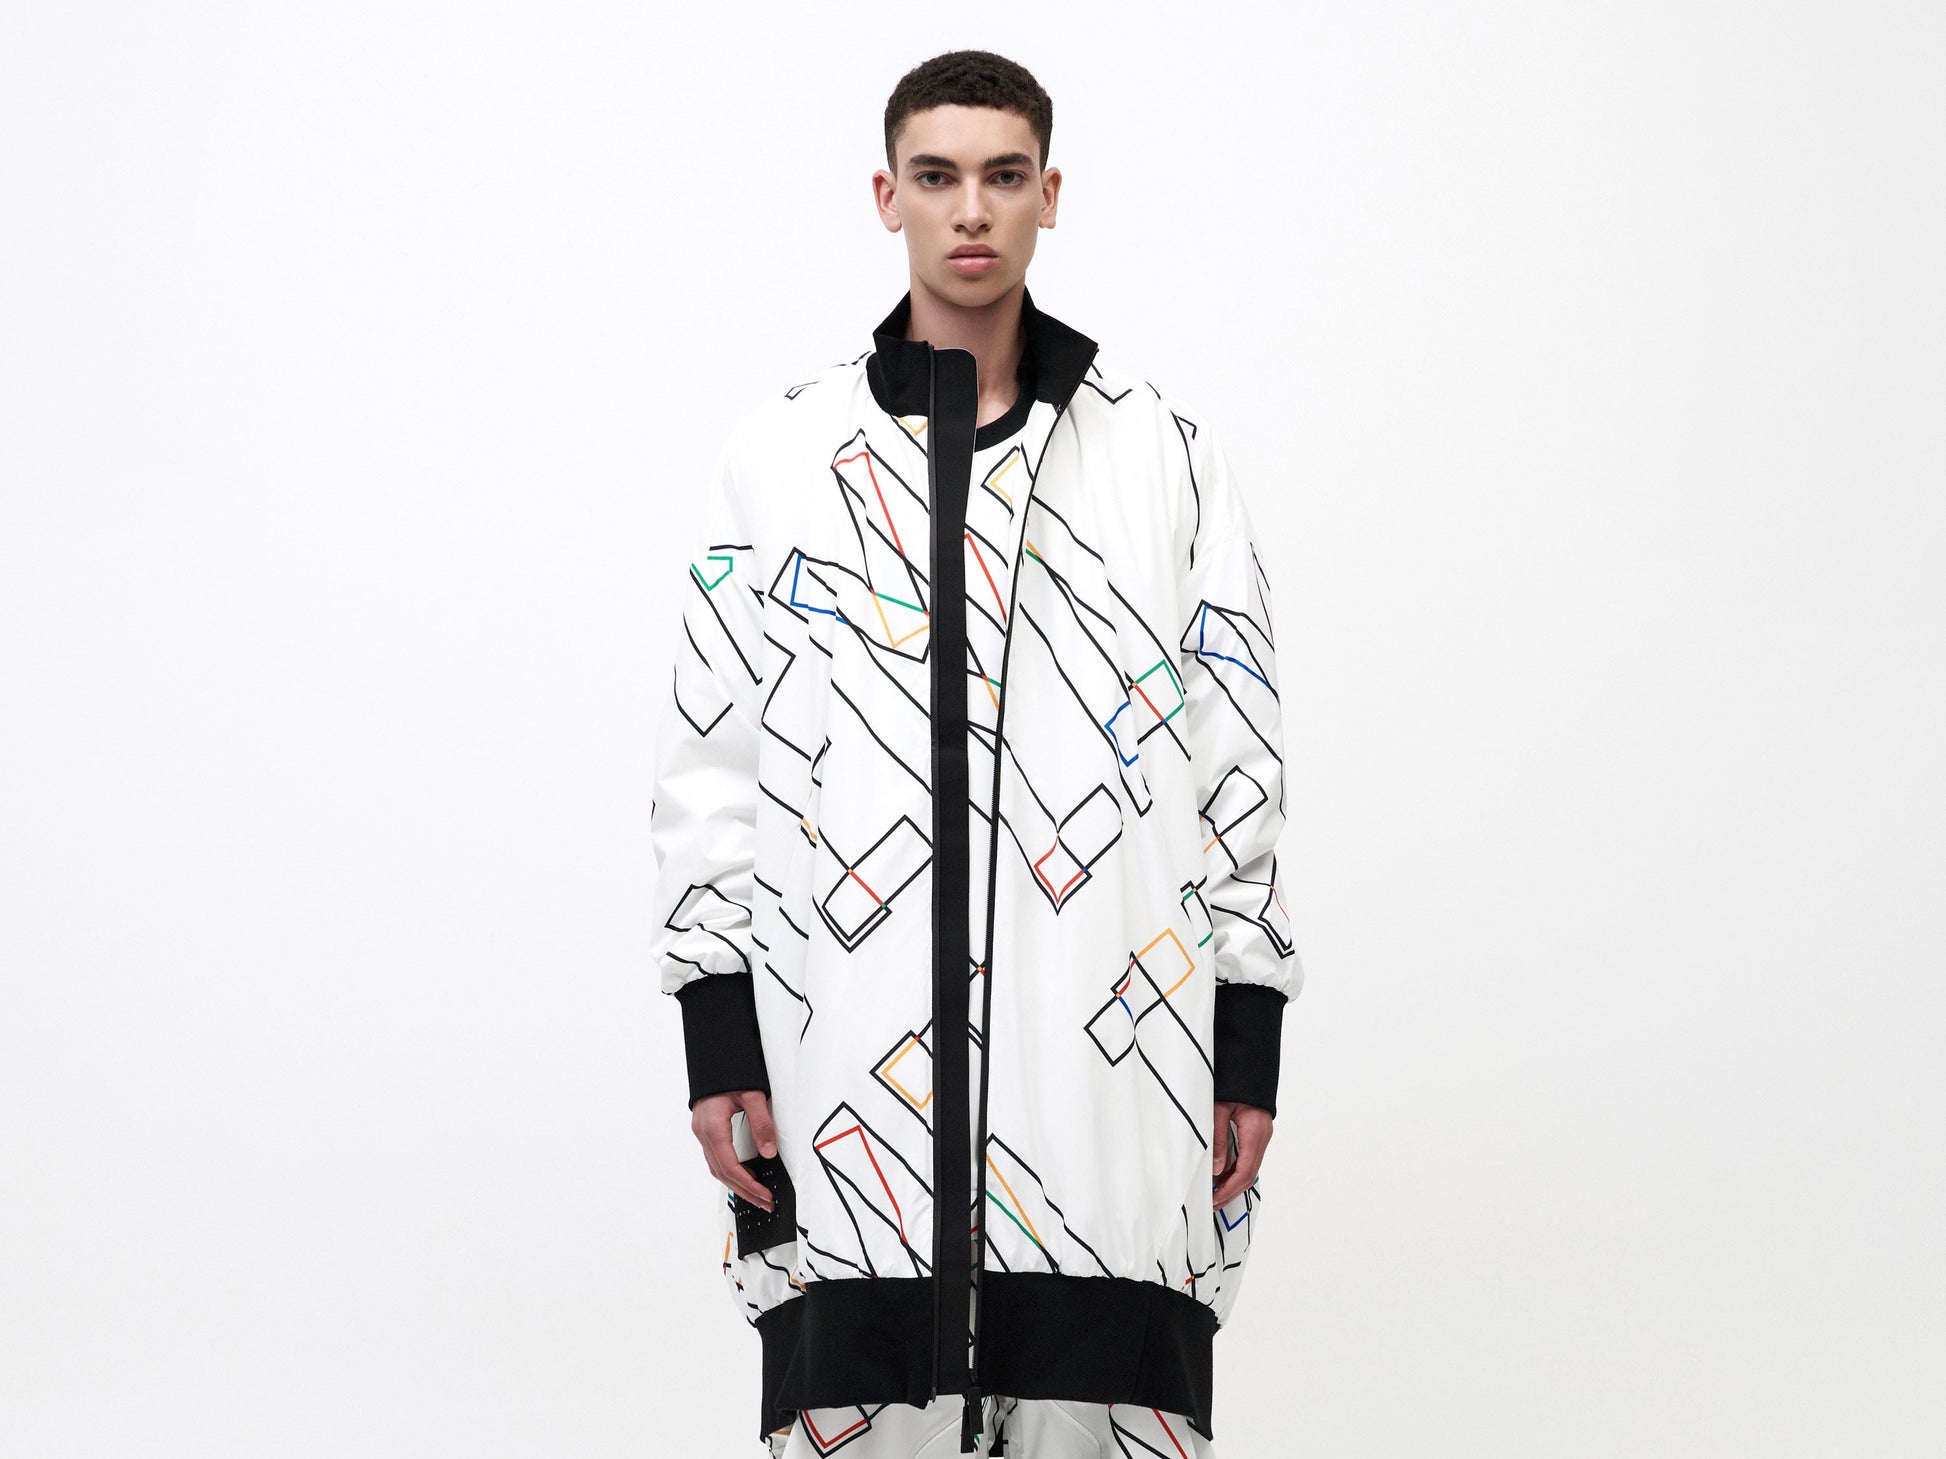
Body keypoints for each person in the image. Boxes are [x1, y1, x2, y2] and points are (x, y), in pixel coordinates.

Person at [650, 48, 1303, 1458]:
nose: (970, 210)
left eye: (1003, 177)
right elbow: (710, 761)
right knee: (859, 1407)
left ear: (1048, 195)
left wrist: (1244, 1040)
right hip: (847, 1082)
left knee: (1101, 1401)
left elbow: (1237, 754)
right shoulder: (782, 459)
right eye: (936, 176)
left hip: (1106, 1090)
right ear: (886, 196)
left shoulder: (1164, 459)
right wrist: (718, 1034)